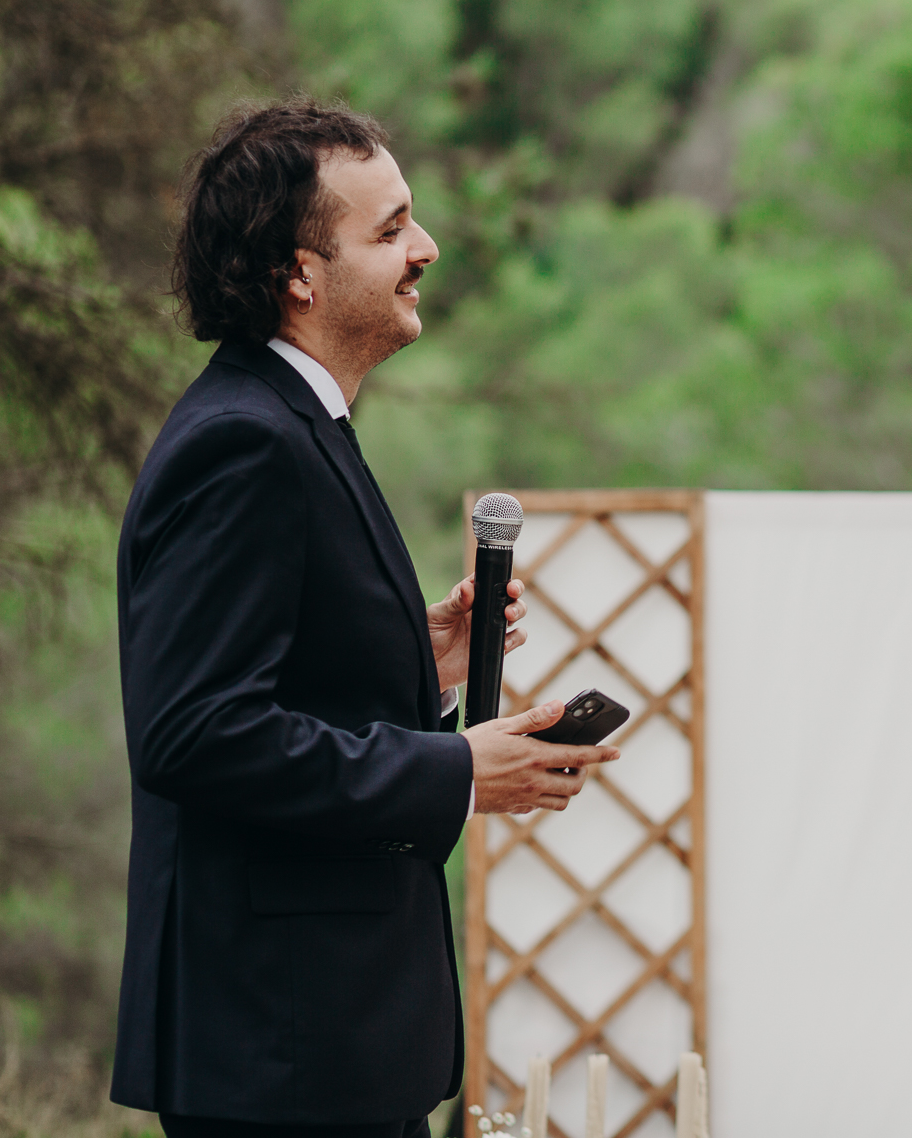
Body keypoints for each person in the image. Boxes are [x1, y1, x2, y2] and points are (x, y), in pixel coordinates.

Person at [110, 99, 618, 1138]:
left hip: (328, 1045)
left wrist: (419, 658)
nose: (424, 248)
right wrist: (459, 769)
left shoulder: (299, 425)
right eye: (388, 230)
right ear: (298, 272)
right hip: (280, 1049)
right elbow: (193, 732)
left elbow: (278, 687)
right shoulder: (245, 444)